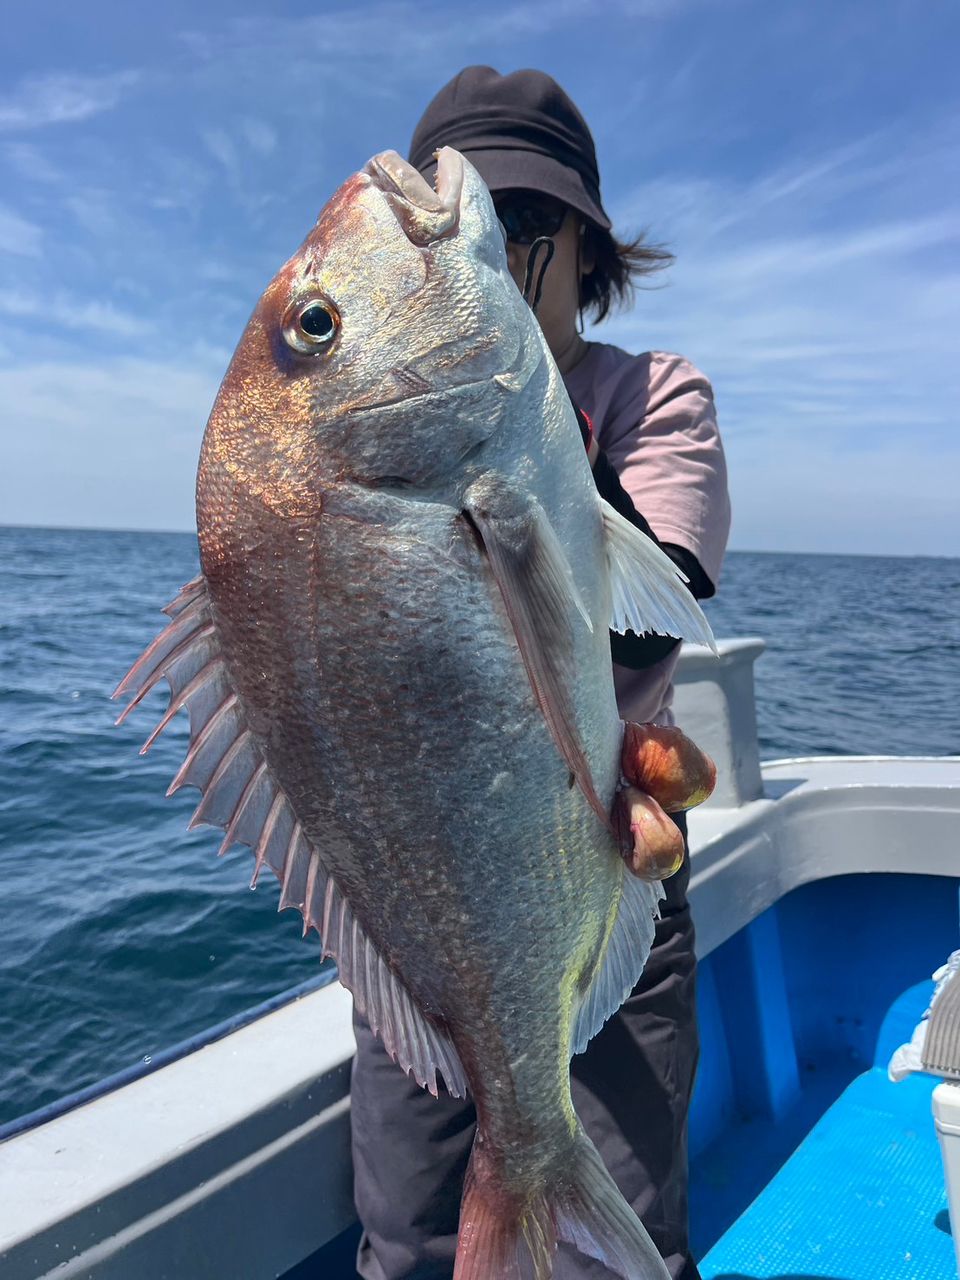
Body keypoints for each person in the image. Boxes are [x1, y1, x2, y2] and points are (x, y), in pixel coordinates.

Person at [350, 66, 731, 1280]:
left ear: (587, 247)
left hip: (608, 873)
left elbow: (650, 612)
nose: (502, 257)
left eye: (527, 228)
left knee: (623, 1232)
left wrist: (492, 420)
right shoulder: (382, 435)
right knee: (413, 1237)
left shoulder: (651, 393)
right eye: (476, 232)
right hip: (416, 897)